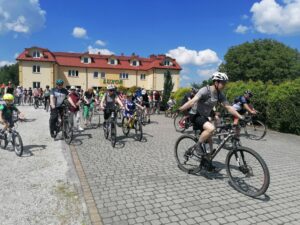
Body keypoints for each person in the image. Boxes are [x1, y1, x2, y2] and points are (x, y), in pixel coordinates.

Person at [179, 72, 244, 172]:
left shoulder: (219, 94)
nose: (224, 85)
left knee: (210, 142)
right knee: (211, 128)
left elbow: (228, 107)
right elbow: (192, 101)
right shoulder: (205, 90)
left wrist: (240, 116)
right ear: (216, 82)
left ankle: (207, 163)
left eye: (225, 83)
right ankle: (197, 146)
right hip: (195, 115)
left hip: (205, 116)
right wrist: (181, 108)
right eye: (223, 83)